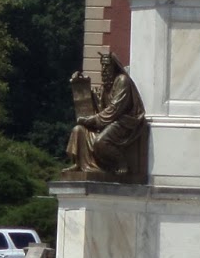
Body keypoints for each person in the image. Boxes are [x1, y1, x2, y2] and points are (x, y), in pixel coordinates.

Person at [63, 50, 147, 181]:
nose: (104, 70)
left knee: (101, 142)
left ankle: (121, 162)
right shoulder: (105, 87)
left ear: (114, 67)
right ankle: (79, 163)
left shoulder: (122, 81)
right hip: (108, 123)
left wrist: (91, 120)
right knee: (78, 130)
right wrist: (81, 86)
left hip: (125, 123)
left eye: (107, 66)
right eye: (102, 66)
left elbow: (114, 109)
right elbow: (96, 105)